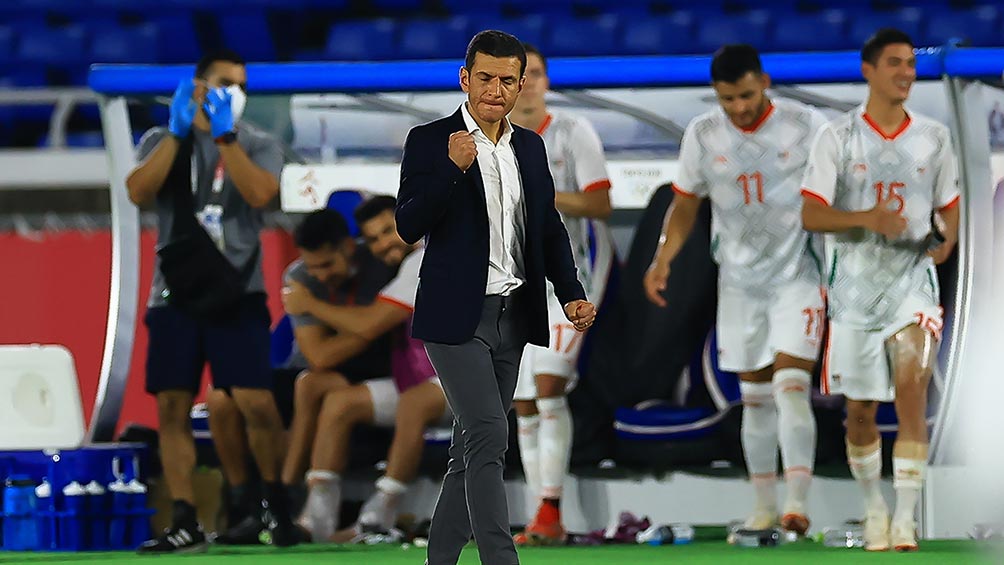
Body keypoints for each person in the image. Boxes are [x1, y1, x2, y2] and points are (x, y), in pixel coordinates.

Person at [395, 30, 596, 565]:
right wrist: (451, 169)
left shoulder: (530, 145)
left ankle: (439, 560)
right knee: (489, 431)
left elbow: (548, 229)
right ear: (465, 79)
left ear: (521, 84)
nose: (496, 89)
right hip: (454, 316)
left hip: (515, 312)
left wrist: (570, 293)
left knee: (469, 452)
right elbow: (408, 225)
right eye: (485, 77)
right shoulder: (431, 140)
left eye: (509, 79)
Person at [643, 44, 827, 535]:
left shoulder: (807, 126)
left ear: (764, 82)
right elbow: (684, 203)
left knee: (791, 388)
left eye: (746, 95)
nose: (739, 108)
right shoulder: (703, 134)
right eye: (728, 99)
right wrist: (663, 258)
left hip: (797, 275)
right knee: (756, 397)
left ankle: (798, 506)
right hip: (740, 282)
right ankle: (764, 507)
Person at [126, 49, 297, 552]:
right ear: (198, 86)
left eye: (240, 85)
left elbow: (262, 193)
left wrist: (225, 137)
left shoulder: (258, 143)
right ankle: (184, 518)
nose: (233, 93)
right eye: (223, 83)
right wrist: (180, 133)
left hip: (238, 290)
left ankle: (275, 505)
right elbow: (139, 192)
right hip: (174, 292)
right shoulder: (162, 139)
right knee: (173, 406)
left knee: (255, 402)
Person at [800, 28, 960, 552]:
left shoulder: (934, 136)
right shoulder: (837, 137)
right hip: (852, 289)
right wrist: (866, 217)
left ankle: (907, 519)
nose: (906, 73)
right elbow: (811, 212)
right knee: (861, 410)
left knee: (913, 392)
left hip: (912, 282)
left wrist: (947, 238)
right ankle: (874, 510)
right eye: (894, 63)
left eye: (911, 64)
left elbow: (949, 201)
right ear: (868, 70)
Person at [210, 207, 393, 545]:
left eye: (327, 265)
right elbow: (317, 354)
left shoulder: (381, 268)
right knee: (222, 398)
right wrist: (361, 326)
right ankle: (243, 505)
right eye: (313, 266)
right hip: (307, 371)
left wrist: (315, 307)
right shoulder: (300, 276)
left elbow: (363, 334)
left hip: (370, 373)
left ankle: (282, 499)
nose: (320, 275)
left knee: (316, 384)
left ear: (348, 248)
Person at [285, 196, 451, 542]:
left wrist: (309, 304)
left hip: (468, 382)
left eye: (389, 231)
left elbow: (370, 324)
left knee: (414, 402)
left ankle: (378, 518)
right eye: (373, 239)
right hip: (420, 381)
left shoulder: (428, 258)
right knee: (339, 403)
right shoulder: (406, 265)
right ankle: (315, 519)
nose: (382, 244)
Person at [507, 43, 615, 546]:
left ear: (546, 81)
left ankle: (550, 512)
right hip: (513, 288)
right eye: (517, 76)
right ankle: (539, 515)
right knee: (524, 403)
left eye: (535, 74)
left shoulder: (573, 133)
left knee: (548, 391)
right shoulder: (483, 139)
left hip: (569, 286)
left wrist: (542, 196)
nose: (527, 83)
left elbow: (599, 202)